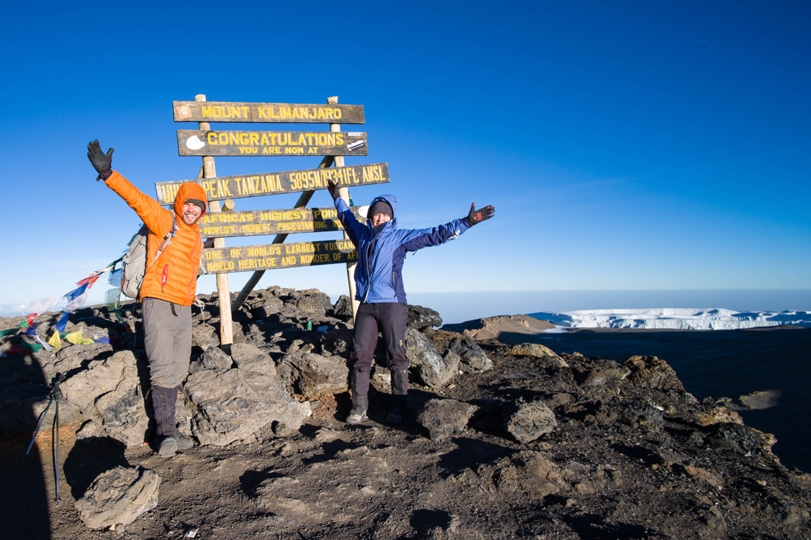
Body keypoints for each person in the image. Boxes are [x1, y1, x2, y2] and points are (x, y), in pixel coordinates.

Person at [327, 181, 494, 424]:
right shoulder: (362, 236)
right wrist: (337, 197)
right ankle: (359, 407)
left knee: (396, 353)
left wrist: (467, 222)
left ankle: (398, 407)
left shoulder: (400, 238)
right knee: (360, 353)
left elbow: (434, 234)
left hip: (392, 305)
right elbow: (345, 217)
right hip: (366, 304)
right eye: (376, 214)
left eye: (384, 214)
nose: (380, 217)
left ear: (391, 217)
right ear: (371, 218)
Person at [87, 140, 208, 457]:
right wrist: (108, 173)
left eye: (198, 205)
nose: (192, 209)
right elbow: (137, 200)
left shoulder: (197, 239)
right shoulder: (164, 222)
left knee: (179, 368)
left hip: (182, 309)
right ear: (180, 202)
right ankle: (164, 434)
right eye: (189, 203)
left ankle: (171, 429)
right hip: (156, 302)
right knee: (161, 367)